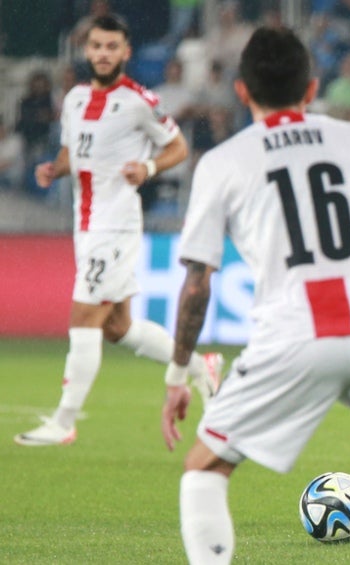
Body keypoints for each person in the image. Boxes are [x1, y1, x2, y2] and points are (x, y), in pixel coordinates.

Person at [160, 26, 350, 564]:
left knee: (205, 470)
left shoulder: (223, 163)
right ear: (312, 88)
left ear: (241, 91)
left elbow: (196, 283)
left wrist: (177, 373)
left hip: (292, 333)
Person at [14, 14, 221, 447]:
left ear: (126, 53)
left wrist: (147, 167)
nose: (103, 54)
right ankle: (203, 367)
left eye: (112, 47)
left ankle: (64, 420)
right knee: (118, 327)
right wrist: (55, 168)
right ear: (85, 50)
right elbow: (73, 150)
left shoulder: (140, 100)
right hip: (85, 223)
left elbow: (178, 146)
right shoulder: (72, 98)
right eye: (96, 46)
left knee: (84, 316)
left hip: (115, 224)